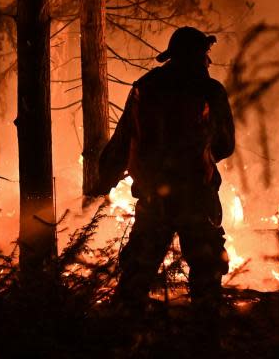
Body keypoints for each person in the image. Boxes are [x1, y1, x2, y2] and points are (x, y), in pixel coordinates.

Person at [96, 26, 235, 311]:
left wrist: (105, 176)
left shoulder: (145, 86)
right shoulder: (210, 90)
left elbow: (125, 138)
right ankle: (205, 338)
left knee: (137, 275)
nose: (208, 60)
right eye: (206, 54)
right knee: (207, 276)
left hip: (154, 197)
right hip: (196, 197)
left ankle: (123, 338)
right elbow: (225, 145)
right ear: (199, 56)